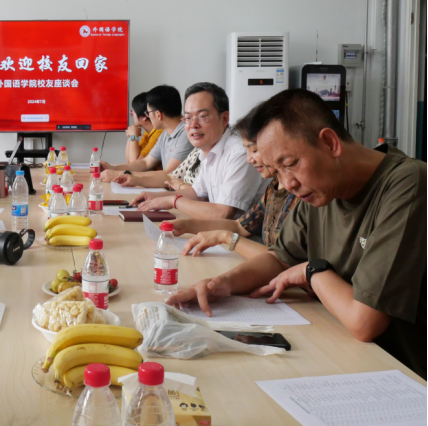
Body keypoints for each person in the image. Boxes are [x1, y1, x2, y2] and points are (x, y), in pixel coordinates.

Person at [167, 90, 427, 380]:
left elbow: (365, 322)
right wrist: (221, 284)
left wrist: (312, 271)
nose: (288, 183)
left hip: (401, 371)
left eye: (290, 164)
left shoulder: (407, 184)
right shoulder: (319, 189)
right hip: (339, 347)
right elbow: (280, 258)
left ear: (330, 143)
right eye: (277, 171)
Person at [176, 108, 300, 259]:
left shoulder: (300, 193)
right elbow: (239, 226)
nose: (249, 159)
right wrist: (186, 225)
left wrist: (226, 237)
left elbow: (282, 259)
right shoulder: (274, 186)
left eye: (255, 150)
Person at [131, 82, 267, 219]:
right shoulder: (208, 148)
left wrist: (173, 201)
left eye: (202, 117)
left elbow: (222, 213)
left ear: (224, 118)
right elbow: (198, 194)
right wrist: (155, 197)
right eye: (188, 118)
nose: (193, 125)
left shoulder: (240, 152)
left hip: (239, 232)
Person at [100, 85, 191, 184]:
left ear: (158, 114)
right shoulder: (165, 133)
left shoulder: (187, 134)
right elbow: (145, 162)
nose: (148, 116)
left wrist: (120, 174)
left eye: (148, 113)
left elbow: (169, 174)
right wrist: (112, 168)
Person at [118, 92, 162, 164]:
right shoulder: (147, 133)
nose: (132, 114)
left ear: (145, 116)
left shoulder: (158, 134)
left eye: (134, 111)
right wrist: (130, 137)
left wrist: (134, 136)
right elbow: (129, 161)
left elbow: (134, 163)